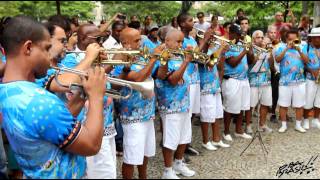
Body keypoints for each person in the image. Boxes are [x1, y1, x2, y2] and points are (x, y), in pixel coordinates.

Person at [0, 15, 106, 179]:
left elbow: (49, 127)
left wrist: (83, 94)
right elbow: (92, 145)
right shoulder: (40, 101)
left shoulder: (6, 90)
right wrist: (96, 97)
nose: (49, 58)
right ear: (28, 48)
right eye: (46, 49)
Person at [112, 27, 161, 179]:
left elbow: (156, 73)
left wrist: (159, 59)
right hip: (132, 115)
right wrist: (153, 59)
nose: (141, 42)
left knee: (145, 152)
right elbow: (138, 77)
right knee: (131, 157)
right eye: (137, 40)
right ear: (125, 42)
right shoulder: (120, 58)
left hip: (147, 113)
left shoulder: (141, 55)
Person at [154, 28, 195, 179]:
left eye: (182, 42)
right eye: (178, 41)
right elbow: (172, 80)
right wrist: (186, 61)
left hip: (183, 103)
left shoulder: (179, 55)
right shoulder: (164, 57)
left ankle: (178, 163)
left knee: (184, 136)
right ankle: (167, 170)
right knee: (170, 139)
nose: (180, 44)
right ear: (167, 41)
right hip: (170, 105)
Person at [221, 24, 254, 141]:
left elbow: (251, 61)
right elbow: (233, 63)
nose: (241, 37)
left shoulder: (242, 45)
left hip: (244, 79)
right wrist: (244, 51)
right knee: (229, 106)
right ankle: (226, 131)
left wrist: (250, 51)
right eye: (239, 34)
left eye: (242, 34)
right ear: (232, 34)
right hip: (232, 80)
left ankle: (239, 130)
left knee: (242, 106)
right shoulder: (227, 46)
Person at [275, 28, 309, 133]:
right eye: (290, 39)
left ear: (298, 38)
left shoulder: (303, 46)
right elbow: (277, 59)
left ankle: (298, 125)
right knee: (283, 104)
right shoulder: (280, 47)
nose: (292, 42)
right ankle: (283, 125)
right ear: (286, 39)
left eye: (295, 39)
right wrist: (286, 49)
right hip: (284, 81)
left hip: (299, 81)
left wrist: (298, 50)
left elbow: (306, 61)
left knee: (299, 104)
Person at [178, 13, 201, 157]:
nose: (194, 22)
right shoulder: (180, 39)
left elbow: (199, 56)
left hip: (195, 79)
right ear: (182, 24)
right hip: (187, 81)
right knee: (186, 115)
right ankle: (180, 146)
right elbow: (192, 57)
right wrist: (204, 40)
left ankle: (186, 144)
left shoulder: (192, 38)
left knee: (191, 114)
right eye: (190, 20)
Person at [247, 30, 274, 133]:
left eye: (262, 37)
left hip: (266, 80)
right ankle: (248, 125)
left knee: (265, 104)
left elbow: (271, 65)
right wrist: (259, 54)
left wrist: (270, 53)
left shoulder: (267, 49)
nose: (261, 39)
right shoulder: (251, 49)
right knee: (251, 105)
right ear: (253, 39)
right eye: (258, 37)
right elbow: (251, 64)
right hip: (254, 81)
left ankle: (262, 124)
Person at [302, 27, 320, 130]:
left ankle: (316, 120)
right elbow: (302, 64)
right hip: (310, 78)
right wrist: (311, 71)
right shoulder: (306, 48)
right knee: (308, 100)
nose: (318, 39)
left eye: (319, 37)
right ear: (312, 38)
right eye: (316, 37)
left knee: (319, 100)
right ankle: (305, 120)